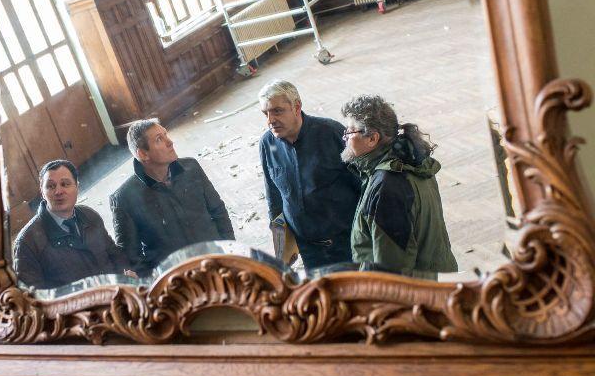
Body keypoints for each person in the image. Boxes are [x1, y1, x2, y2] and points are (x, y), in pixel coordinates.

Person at [340, 95, 458, 278]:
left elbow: (391, 272)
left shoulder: (387, 188)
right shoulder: (409, 161)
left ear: (372, 138)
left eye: (350, 131)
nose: (345, 138)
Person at [258, 80, 361, 269]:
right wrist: (281, 243)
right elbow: (273, 195)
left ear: (297, 107)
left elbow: (362, 183)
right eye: (266, 113)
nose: (270, 120)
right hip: (309, 249)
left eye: (277, 111)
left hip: (348, 243)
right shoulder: (268, 143)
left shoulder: (331, 133)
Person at [110, 118, 235, 275]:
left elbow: (218, 211)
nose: (170, 142)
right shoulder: (124, 199)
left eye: (166, 135)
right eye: (159, 139)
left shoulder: (191, 167)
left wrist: (229, 250)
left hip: (216, 262)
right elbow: (132, 257)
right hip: (175, 279)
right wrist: (158, 282)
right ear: (143, 154)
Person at [13, 160, 130, 289]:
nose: (58, 191)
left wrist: (126, 276)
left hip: (116, 292)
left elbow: (115, 254)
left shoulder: (89, 215)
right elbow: (33, 296)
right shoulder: (27, 242)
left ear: (77, 187)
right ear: (42, 192)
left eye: (65, 184)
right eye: (51, 186)